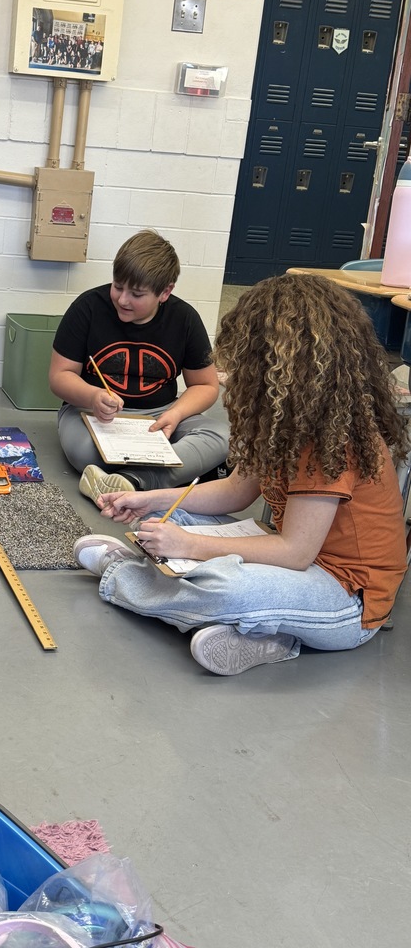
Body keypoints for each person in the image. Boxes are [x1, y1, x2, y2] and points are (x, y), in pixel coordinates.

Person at [73, 273, 409, 676]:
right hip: (289, 562)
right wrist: (154, 499)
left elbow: (295, 553)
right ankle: (267, 638)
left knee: (225, 587)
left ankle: (124, 575)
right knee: (167, 519)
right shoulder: (285, 414)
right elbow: (236, 492)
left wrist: (191, 546)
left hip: (345, 599)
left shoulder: (333, 437)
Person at [48, 229, 229, 506]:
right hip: (91, 412)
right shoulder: (87, 308)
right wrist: (93, 397)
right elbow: (60, 377)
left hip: (160, 415)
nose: (122, 299)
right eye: (118, 286)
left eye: (136, 294)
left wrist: (177, 413)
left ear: (165, 292)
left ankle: (133, 481)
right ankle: (154, 476)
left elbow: (206, 385)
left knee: (221, 437)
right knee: (84, 452)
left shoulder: (185, 319)